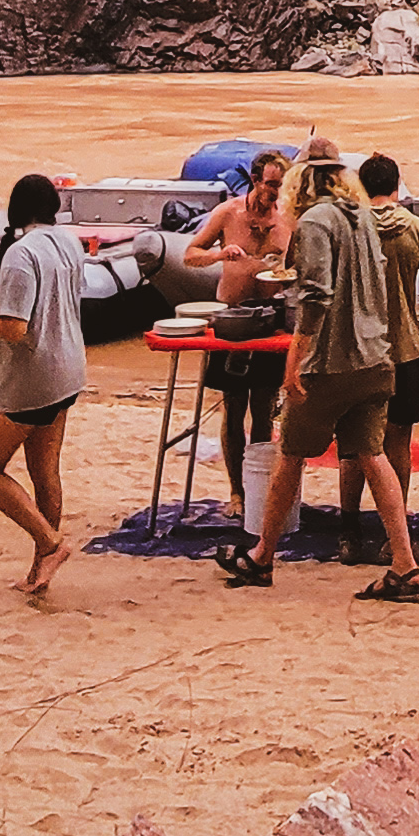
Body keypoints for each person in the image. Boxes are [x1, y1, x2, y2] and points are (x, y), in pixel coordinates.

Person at [231, 151, 419, 602]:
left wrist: (295, 357)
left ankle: (262, 558)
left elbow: (315, 295)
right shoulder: (363, 217)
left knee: (291, 454)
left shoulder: (316, 221)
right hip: (376, 356)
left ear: (302, 181)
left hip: (332, 361)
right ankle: (404, 565)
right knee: (373, 455)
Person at [0, 174, 85, 596]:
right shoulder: (69, 243)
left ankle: (50, 545)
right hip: (68, 367)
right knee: (44, 471)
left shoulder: (21, 254)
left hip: (31, 376)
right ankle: (40, 570)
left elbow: (13, 329)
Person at [340, 152, 419, 565]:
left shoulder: (348, 228)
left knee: (353, 445)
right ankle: (395, 537)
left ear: (361, 187)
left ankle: (349, 534)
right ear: (398, 185)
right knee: (398, 442)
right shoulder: (416, 228)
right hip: (404, 350)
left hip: (356, 350)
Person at [186, 150, 296, 546]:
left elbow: (302, 267)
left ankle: (258, 489)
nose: (274, 194)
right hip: (231, 321)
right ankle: (235, 491)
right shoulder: (229, 214)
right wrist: (220, 253)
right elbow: (190, 254)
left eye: (279, 186)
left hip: (269, 321)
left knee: (264, 410)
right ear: (253, 180)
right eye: (269, 185)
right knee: (233, 407)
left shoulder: (287, 220)